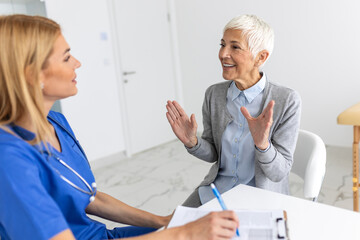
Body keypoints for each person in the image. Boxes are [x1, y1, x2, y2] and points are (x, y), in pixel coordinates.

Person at [0, 14, 239, 240]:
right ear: (31, 74)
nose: (77, 63)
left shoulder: (55, 122)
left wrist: (162, 221)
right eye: (66, 57)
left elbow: (90, 198)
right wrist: (183, 233)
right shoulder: (9, 159)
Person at [166, 14, 301, 207]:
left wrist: (263, 144)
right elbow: (213, 153)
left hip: (261, 198)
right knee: (175, 227)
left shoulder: (287, 100)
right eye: (222, 45)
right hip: (217, 190)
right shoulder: (214, 94)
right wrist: (193, 142)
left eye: (235, 47)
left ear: (261, 57)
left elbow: (279, 173)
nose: (223, 54)